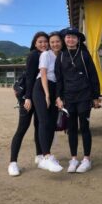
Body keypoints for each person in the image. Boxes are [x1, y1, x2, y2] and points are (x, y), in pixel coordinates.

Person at [55, 27, 101, 173]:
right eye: (68, 37)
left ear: (78, 40)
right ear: (65, 39)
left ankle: (87, 159)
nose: (70, 39)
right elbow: (59, 79)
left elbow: (93, 76)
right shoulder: (61, 56)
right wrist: (58, 97)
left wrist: (95, 96)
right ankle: (74, 159)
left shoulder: (84, 55)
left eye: (74, 37)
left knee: (85, 127)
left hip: (84, 96)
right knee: (72, 129)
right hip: (68, 97)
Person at [8, 32, 49, 176]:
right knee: (22, 128)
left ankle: (39, 156)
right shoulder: (33, 55)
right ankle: (13, 162)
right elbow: (30, 78)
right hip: (28, 97)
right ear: (35, 43)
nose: (43, 44)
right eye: (40, 42)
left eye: (45, 41)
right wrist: (27, 97)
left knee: (39, 126)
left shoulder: (48, 56)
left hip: (39, 97)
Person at [32, 31, 64, 172]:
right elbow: (43, 74)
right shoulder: (46, 54)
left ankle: (47, 156)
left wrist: (57, 96)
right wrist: (46, 94)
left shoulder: (62, 56)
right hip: (41, 88)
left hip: (54, 89)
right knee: (44, 121)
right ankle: (46, 156)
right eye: (52, 42)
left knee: (51, 124)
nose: (55, 44)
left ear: (61, 42)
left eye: (57, 41)